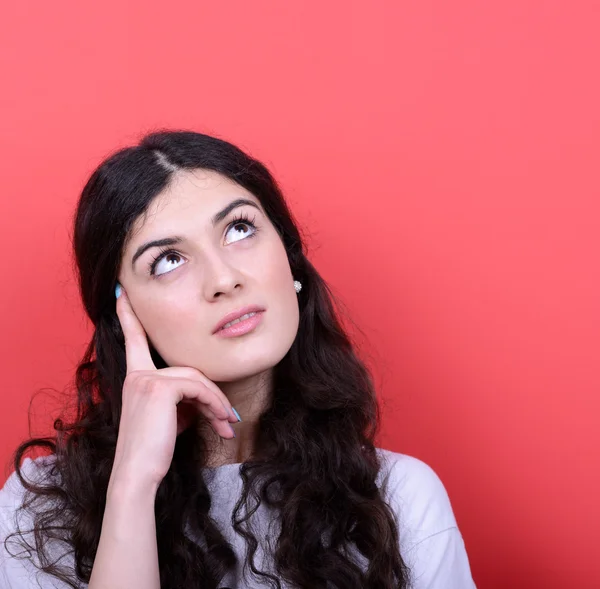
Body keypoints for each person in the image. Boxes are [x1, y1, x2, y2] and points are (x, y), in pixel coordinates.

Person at [0, 130, 476, 588]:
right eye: (168, 259)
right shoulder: (39, 513)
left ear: (289, 256)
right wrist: (132, 485)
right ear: (125, 313)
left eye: (239, 228)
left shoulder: (398, 499)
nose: (224, 279)